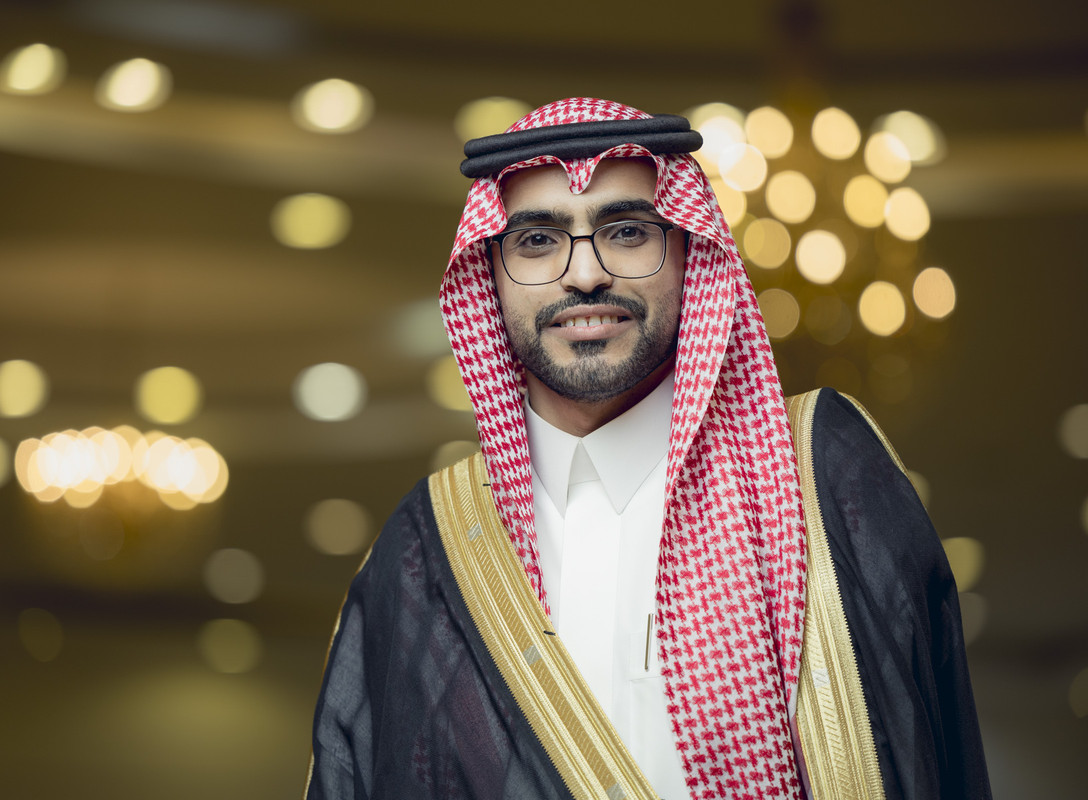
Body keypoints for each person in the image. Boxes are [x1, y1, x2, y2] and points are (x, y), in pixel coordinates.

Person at [304, 98, 991, 800]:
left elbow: (932, 753)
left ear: (691, 250)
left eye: (627, 231)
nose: (585, 274)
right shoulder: (426, 546)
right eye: (536, 240)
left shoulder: (819, 475)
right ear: (489, 272)